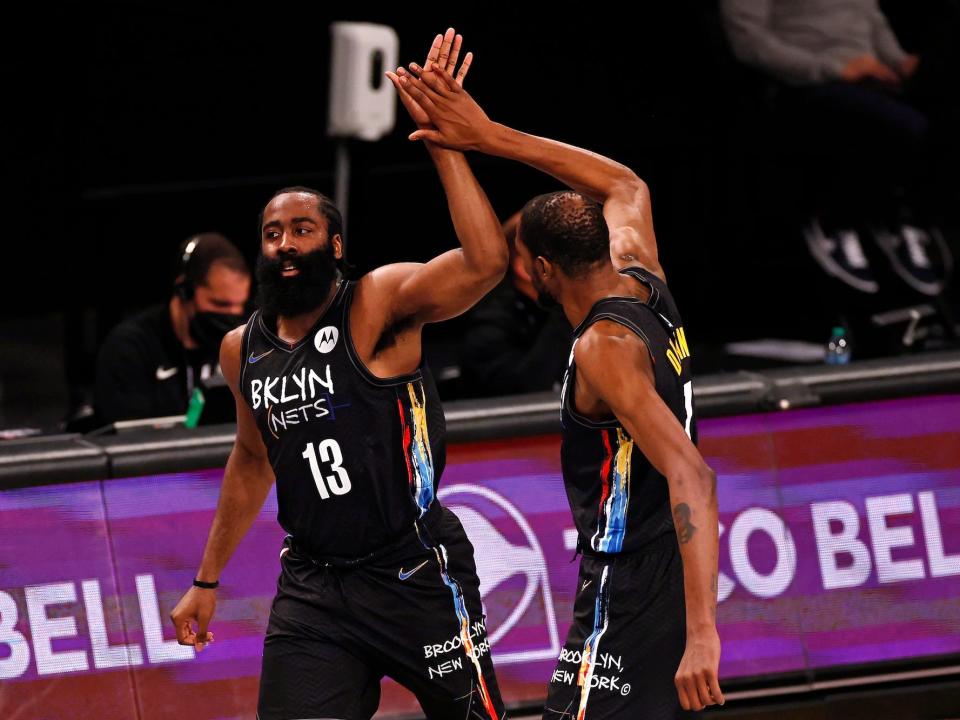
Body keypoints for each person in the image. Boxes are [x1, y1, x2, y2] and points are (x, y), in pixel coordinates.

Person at [169, 30, 508, 720]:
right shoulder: (243, 348)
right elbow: (249, 456)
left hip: (414, 572)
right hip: (315, 587)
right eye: (272, 233)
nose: (285, 244)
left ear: (336, 245)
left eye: (302, 229)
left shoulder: (376, 303)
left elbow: (485, 264)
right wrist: (207, 579)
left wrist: (446, 151)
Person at [399, 61, 723, 717]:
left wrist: (703, 634)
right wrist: (486, 136)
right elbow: (623, 181)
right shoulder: (643, 273)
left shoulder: (603, 347)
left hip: (630, 579)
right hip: (657, 570)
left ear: (539, 267)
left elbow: (692, 473)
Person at [720, 0, 954, 297]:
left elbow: (870, 19)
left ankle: (905, 216)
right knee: (898, 125)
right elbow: (749, 41)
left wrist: (898, 61)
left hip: (872, 77)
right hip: (806, 83)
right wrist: (833, 68)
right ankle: (840, 216)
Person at [94, 232, 250, 423]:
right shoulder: (130, 348)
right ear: (184, 291)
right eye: (221, 304)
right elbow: (130, 439)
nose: (233, 315)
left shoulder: (244, 344)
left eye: (239, 306)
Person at [458, 211, 571, 397]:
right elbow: (525, 397)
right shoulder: (489, 326)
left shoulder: (587, 309)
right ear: (526, 268)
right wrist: (564, 308)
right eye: (563, 252)